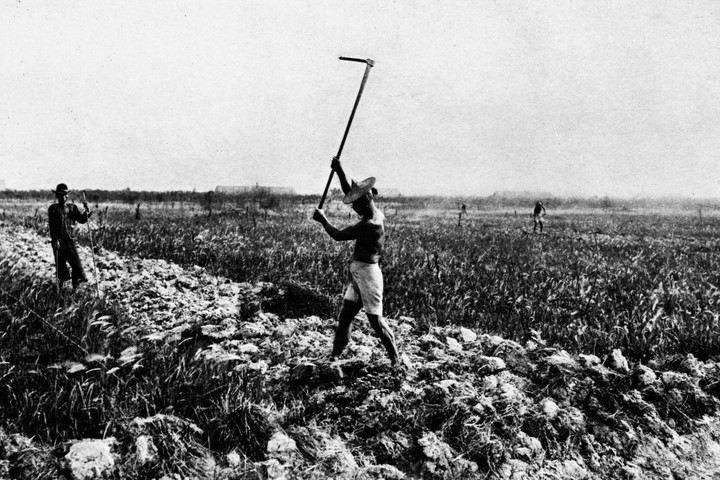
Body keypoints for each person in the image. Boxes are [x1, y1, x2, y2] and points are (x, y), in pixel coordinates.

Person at [313, 157, 400, 366]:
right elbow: (351, 192)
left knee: (375, 321)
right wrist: (339, 170)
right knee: (345, 316)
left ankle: (396, 359)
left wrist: (323, 219)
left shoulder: (369, 224)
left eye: (356, 203)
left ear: (366, 200)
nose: (354, 207)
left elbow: (338, 235)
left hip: (368, 276)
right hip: (358, 274)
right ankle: (335, 356)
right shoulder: (374, 212)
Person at [48, 183, 92, 290]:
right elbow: (52, 227)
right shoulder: (53, 209)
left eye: (65, 195)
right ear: (57, 196)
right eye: (61, 195)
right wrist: (55, 240)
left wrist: (87, 212)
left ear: (67, 196)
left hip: (69, 241)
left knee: (77, 266)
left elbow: (82, 219)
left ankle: (75, 289)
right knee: (61, 268)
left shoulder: (72, 208)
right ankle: (61, 290)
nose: (64, 197)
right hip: (58, 242)